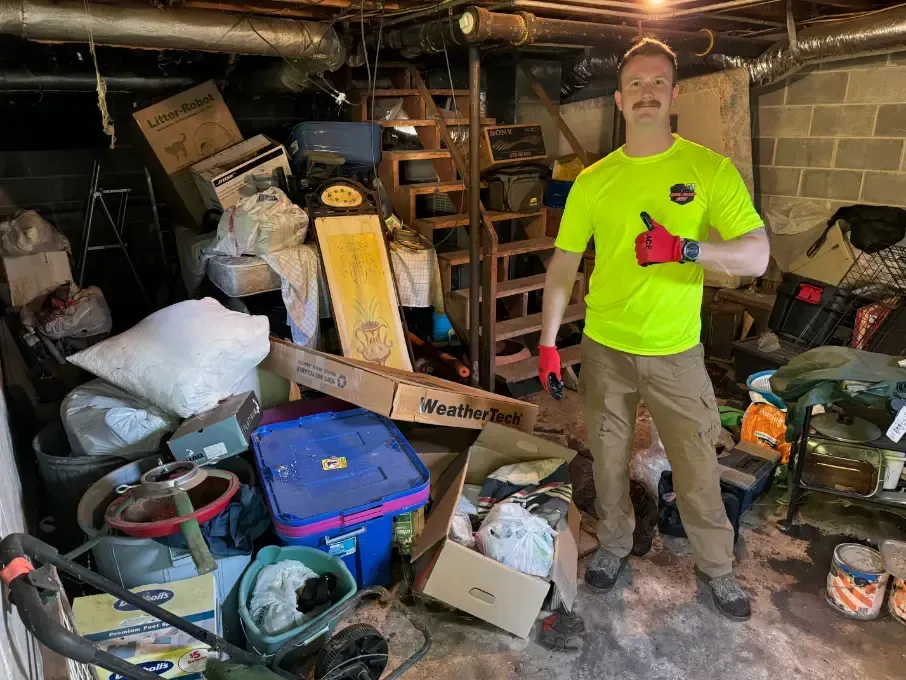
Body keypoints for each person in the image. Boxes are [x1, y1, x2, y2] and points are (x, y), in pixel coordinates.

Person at [538, 37, 769, 622]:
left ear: (673, 95)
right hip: (605, 348)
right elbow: (564, 263)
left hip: (676, 351)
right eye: (635, 84)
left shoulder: (706, 169)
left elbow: (758, 255)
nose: (646, 92)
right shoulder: (594, 181)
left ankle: (716, 567)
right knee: (609, 461)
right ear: (619, 98)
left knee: (696, 466)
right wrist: (546, 341)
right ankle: (615, 546)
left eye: (657, 83)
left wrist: (685, 249)